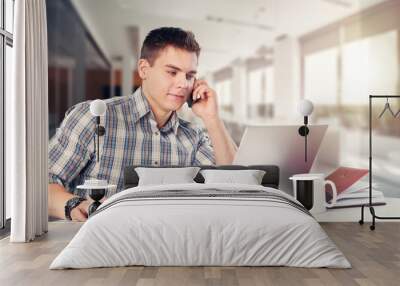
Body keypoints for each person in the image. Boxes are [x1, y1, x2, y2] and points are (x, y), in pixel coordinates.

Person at [48, 27, 237, 222]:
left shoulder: (193, 137)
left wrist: (212, 118)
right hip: (103, 243)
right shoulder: (94, 117)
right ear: (144, 69)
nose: (183, 83)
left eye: (190, 75)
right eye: (172, 72)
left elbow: (236, 184)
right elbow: (43, 183)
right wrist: (73, 205)